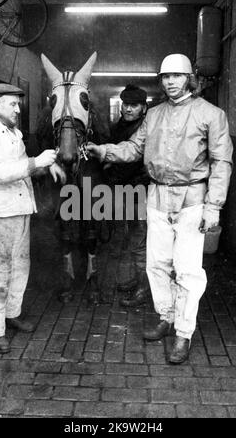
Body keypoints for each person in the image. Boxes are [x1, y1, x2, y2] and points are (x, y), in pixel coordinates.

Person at [87, 54, 233, 364]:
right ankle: (166, 317)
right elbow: (134, 149)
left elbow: (221, 163)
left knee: (188, 269)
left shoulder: (211, 114)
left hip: (193, 199)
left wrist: (214, 206)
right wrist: (105, 150)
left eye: (177, 76)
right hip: (157, 196)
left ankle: (183, 333)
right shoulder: (153, 115)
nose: (170, 82)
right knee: (156, 264)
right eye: (165, 76)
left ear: (189, 78)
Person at [0, 83, 64, 354]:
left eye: (18, 104)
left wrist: (46, 167)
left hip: (22, 210)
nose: (18, 108)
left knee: (20, 268)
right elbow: (1, 173)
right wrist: (37, 162)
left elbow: (23, 170)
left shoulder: (14, 132)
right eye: (12, 104)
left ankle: (12, 314)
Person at [105, 84, 150, 307]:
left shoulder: (146, 128)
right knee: (130, 238)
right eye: (126, 104)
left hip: (140, 190)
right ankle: (137, 279)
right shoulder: (117, 127)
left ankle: (143, 288)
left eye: (134, 105)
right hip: (122, 190)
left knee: (140, 240)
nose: (129, 109)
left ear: (144, 108)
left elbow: (136, 162)